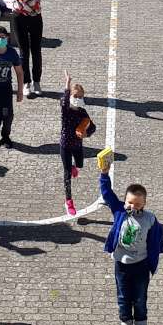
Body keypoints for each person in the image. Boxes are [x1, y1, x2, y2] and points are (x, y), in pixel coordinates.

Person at [97, 152, 163, 325]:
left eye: (137, 203)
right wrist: (104, 174)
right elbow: (107, 194)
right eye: (129, 202)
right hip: (121, 264)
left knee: (140, 298)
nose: (132, 206)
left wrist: (158, 254)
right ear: (125, 201)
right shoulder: (119, 211)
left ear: (144, 203)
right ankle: (125, 323)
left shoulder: (150, 219)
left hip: (141, 265)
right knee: (123, 296)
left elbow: (156, 239)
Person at [60, 71, 97, 216]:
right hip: (65, 145)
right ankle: (68, 201)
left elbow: (93, 127)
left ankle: (74, 167)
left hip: (77, 145)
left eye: (80, 97)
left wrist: (86, 134)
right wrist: (67, 83)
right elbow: (64, 99)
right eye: (75, 96)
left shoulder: (82, 112)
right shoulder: (66, 109)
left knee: (80, 164)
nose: (78, 99)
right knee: (67, 173)